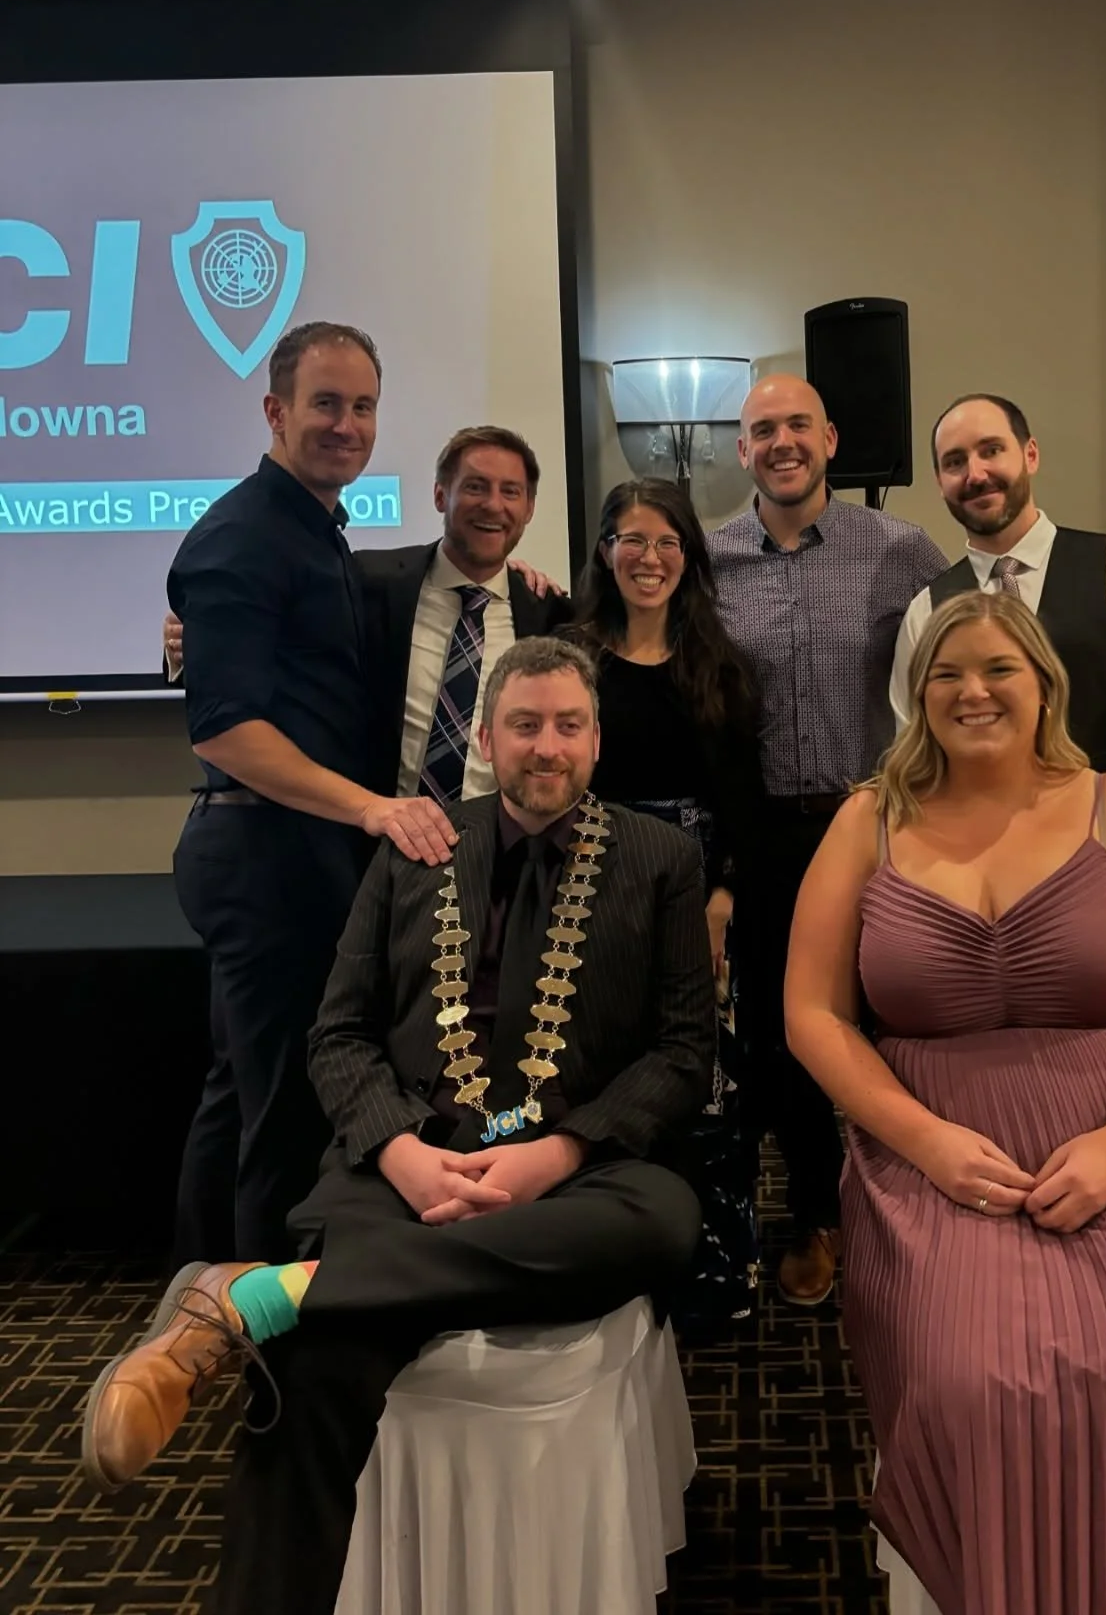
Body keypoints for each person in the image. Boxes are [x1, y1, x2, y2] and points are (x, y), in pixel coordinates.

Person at [81, 637, 713, 1615]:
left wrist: (557, 1152)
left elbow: (681, 1054)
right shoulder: (416, 846)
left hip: (580, 1174)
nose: (548, 747)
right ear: (490, 739)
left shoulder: (660, 858)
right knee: (316, 1360)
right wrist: (406, 1155)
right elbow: (337, 1034)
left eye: (569, 726)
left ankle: (255, 1296)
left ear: (596, 739)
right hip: (410, 1163)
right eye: (526, 725)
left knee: (665, 1223)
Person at [787, 591, 1106, 1615]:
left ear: (1044, 688)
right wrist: (924, 1141)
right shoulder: (869, 820)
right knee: (970, 1384)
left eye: (998, 670)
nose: (971, 691)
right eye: (945, 674)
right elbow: (813, 1015)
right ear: (916, 693)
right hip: (935, 1150)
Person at [166, 424, 571, 1265]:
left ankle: (442, 1240)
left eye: (511, 491)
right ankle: (225, 1288)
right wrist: (181, 646)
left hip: (493, 872)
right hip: (372, 863)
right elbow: (257, 643)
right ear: (438, 495)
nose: (492, 505)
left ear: (531, 509)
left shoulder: (551, 610)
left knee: (460, 1064)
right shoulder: (371, 580)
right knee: (292, 1080)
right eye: (474, 486)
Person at [167, 321, 457, 1266]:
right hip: (266, 859)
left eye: (363, 406)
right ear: (275, 410)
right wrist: (371, 807)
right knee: (286, 1116)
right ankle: (265, 1360)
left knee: (240, 1096)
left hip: (287, 854)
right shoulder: (243, 535)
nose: (346, 424)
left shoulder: (314, 530)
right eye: (325, 403)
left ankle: (201, 1307)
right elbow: (224, 726)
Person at [708, 373, 947, 1305]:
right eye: (762, 429)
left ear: (832, 437)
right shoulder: (709, 558)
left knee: (904, 1020)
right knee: (785, 1036)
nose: (782, 442)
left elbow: (961, 666)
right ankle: (816, 1216)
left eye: (797, 424)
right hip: (766, 836)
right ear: (742, 449)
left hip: (884, 825)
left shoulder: (903, 552)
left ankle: (921, 1212)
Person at [570, 476, 764, 1332]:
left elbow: (742, 803)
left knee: (708, 1083)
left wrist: (721, 898)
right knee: (600, 1074)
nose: (649, 558)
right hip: (591, 889)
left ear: (690, 557)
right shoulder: (569, 655)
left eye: (667, 542)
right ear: (605, 551)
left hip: (697, 892)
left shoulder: (721, 666)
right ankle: (611, 1269)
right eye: (631, 539)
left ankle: (716, 1270)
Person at [889, 393, 1106, 799]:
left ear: (1030, 454)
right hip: (976, 850)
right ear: (940, 483)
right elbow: (916, 748)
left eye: (991, 450)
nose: (975, 474)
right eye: (955, 462)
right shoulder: (926, 610)